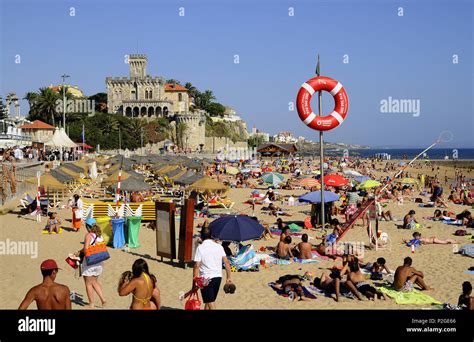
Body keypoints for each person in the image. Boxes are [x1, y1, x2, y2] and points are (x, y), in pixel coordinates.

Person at [193, 227, 233, 310]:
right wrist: (229, 277)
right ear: (211, 235)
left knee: (211, 302)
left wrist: (194, 280)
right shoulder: (219, 247)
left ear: (201, 236)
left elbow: (197, 265)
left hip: (206, 279)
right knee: (209, 301)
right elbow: (226, 262)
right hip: (218, 277)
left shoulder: (200, 248)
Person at [76, 218, 106, 308]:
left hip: (90, 262)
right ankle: (103, 299)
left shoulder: (89, 235)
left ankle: (91, 304)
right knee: (94, 282)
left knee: (88, 283)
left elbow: (86, 249)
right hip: (99, 261)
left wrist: (78, 252)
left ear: (87, 226)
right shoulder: (100, 236)